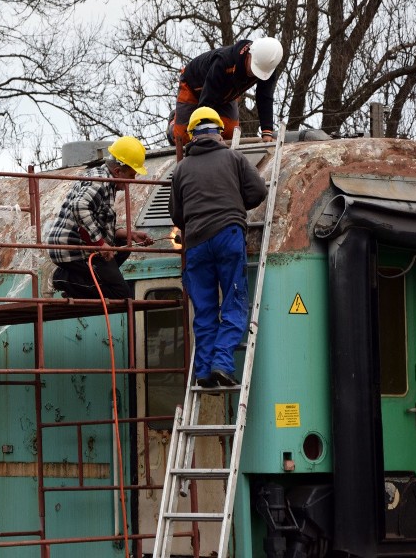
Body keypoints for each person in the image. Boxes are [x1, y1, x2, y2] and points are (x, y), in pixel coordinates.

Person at [169, 107, 267, 387]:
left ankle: (203, 373)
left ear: (192, 136)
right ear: (219, 132)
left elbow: (176, 214)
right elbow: (258, 191)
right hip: (227, 235)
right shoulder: (234, 158)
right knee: (234, 301)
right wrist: (235, 204)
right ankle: (222, 365)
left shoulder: (181, 169)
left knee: (205, 310)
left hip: (196, 244)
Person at [48, 136, 154, 299]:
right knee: (121, 293)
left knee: (123, 245)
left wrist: (131, 235)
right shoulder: (100, 182)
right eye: (132, 175)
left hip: (82, 243)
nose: (133, 180)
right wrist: (100, 244)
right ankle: (63, 278)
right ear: (118, 171)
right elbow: (79, 206)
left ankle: (79, 282)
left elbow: (102, 224)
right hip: (71, 247)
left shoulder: (105, 180)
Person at [167, 37, 283, 146]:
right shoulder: (224, 62)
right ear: (250, 54)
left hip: (226, 95)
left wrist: (267, 131)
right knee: (184, 137)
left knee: (230, 136)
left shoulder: (267, 69)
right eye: (253, 68)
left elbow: (265, 97)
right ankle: (173, 122)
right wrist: (205, 132)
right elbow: (208, 99)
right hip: (194, 87)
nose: (252, 74)